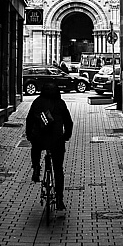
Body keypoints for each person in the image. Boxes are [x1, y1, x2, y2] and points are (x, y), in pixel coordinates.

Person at [25, 82, 73, 211]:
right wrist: (66, 136)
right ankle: (59, 200)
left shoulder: (37, 102)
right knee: (58, 170)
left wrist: (29, 135)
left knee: (35, 148)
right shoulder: (60, 104)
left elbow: (29, 120)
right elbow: (69, 122)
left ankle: (36, 167)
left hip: (40, 139)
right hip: (57, 141)